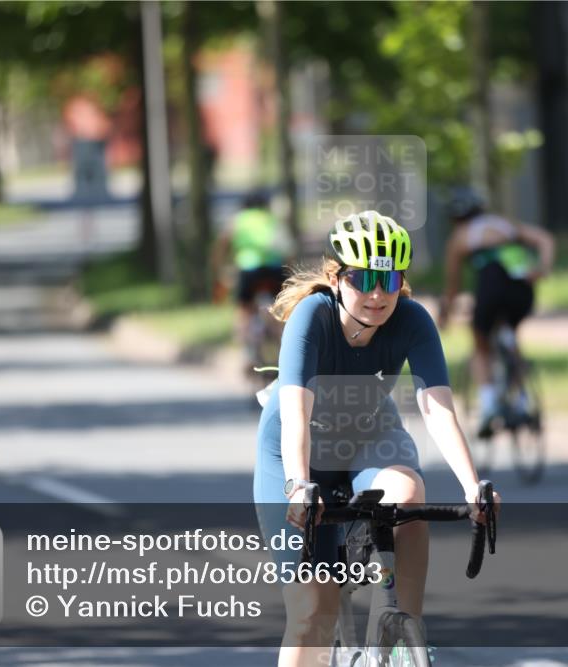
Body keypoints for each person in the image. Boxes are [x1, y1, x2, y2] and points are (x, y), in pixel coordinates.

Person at [254, 210, 499, 667]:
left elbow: (437, 407)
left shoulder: (412, 319)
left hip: (369, 432)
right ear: (336, 277)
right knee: (313, 611)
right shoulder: (312, 316)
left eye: (389, 280)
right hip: (297, 448)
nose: (377, 294)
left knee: (408, 493)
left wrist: (473, 487)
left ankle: (405, 634)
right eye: (363, 278)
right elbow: (296, 415)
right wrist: (299, 485)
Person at [437, 192, 555, 438]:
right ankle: (521, 401)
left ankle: (489, 405)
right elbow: (545, 239)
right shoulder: (504, 224)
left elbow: (453, 287)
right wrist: (542, 268)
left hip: (492, 287)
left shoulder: (460, 237)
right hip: (522, 289)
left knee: (480, 342)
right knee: (509, 333)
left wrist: (445, 314)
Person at [211, 191, 290, 369]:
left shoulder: (238, 220)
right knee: (279, 311)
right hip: (274, 269)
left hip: (248, 269)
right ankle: (284, 347)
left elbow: (222, 244)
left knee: (244, 310)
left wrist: (219, 268)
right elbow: (287, 250)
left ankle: (246, 354)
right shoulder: (273, 220)